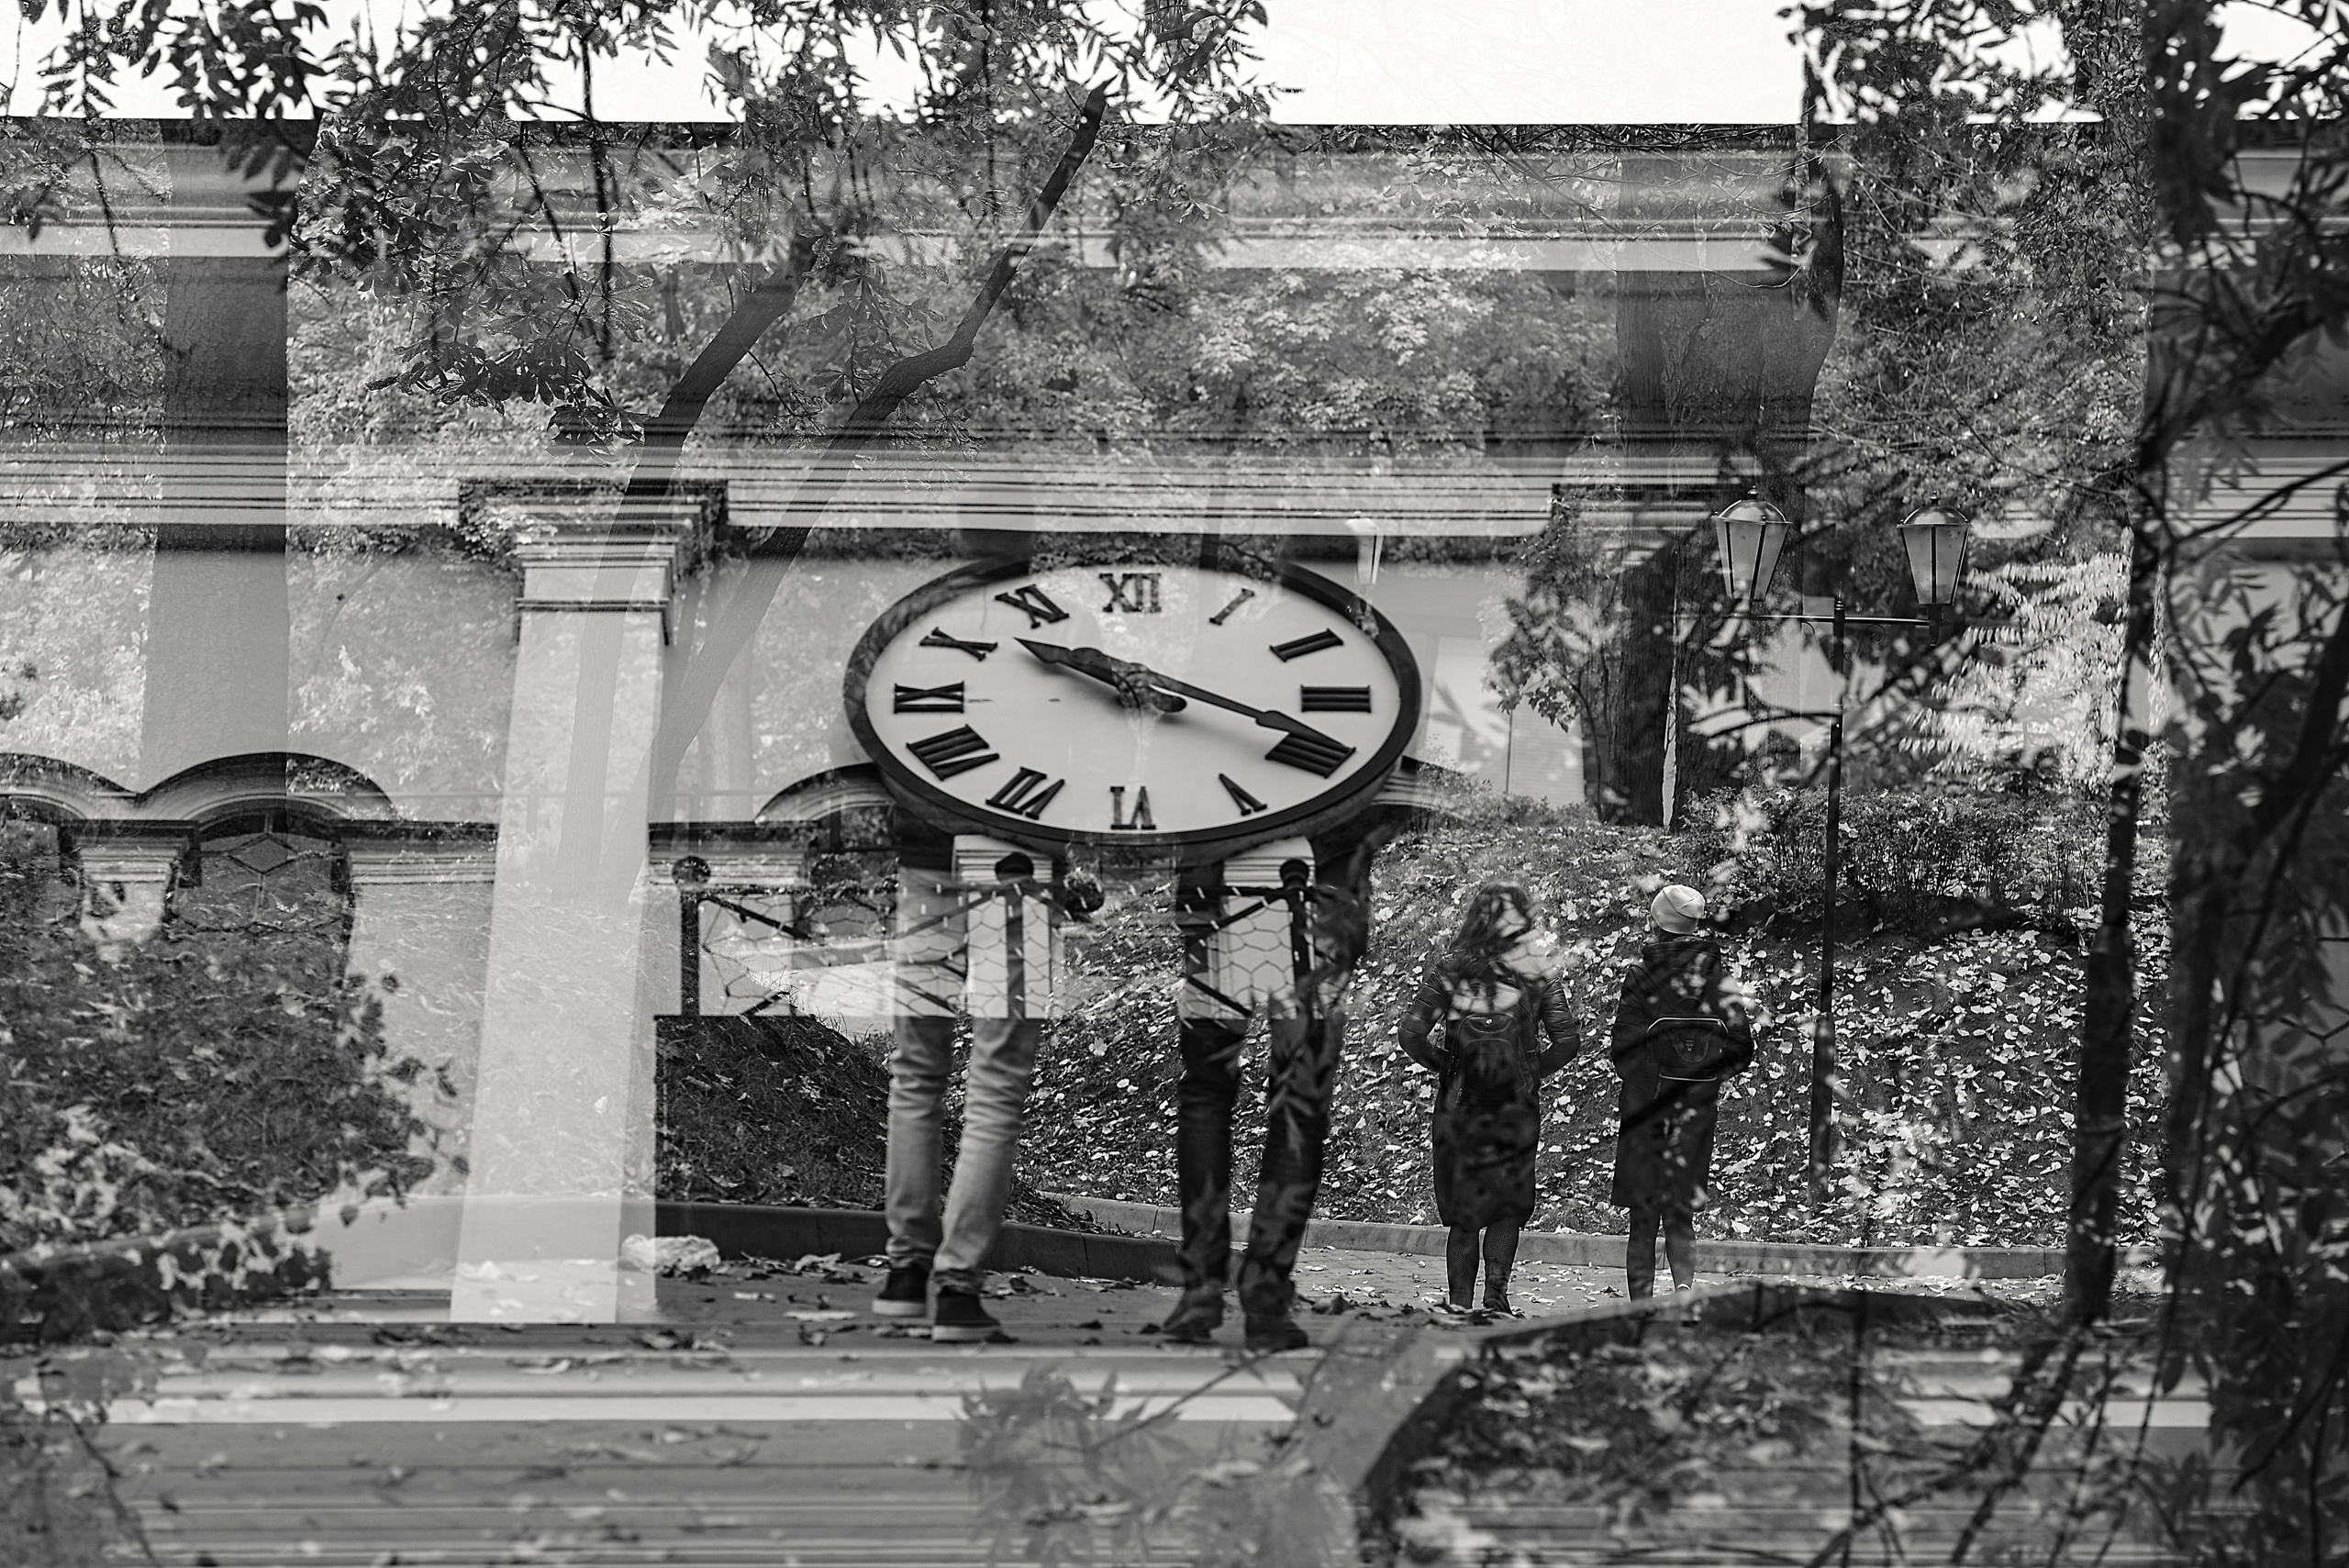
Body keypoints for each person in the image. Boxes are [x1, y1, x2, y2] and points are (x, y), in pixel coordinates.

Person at [870, 828, 1100, 1342]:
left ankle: (905, 1277)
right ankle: (956, 1288)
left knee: (914, 1075)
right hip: (1022, 868)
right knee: (996, 1089)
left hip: (926, 864)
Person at [1160, 828, 1383, 1352]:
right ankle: (1264, 1290)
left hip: (1216, 881)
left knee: (1206, 1093)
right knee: (1299, 1102)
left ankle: (1202, 1284)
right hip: (1323, 885)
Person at [1397, 883, 1581, 1318]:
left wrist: (1449, 1068)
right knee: (1507, 1204)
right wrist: (1529, 1074)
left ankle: (1459, 1303)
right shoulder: (1536, 971)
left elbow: (1410, 1034)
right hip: (1514, 1109)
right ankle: (1496, 1296)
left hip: (1460, 1108)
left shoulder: (1451, 967)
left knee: (1463, 1213)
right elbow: (1567, 1040)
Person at [1607, 884, 1753, 1304]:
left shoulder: (1640, 976)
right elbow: (1742, 1048)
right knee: (1681, 1211)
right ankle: (1685, 1292)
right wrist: (1702, 1077)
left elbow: (1623, 1050)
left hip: (1645, 1108)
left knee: (1643, 1215)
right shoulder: (1717, 978)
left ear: (1657, 923)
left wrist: (1653, 1080)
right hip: (1696, 1109)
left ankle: (1642, 1307)